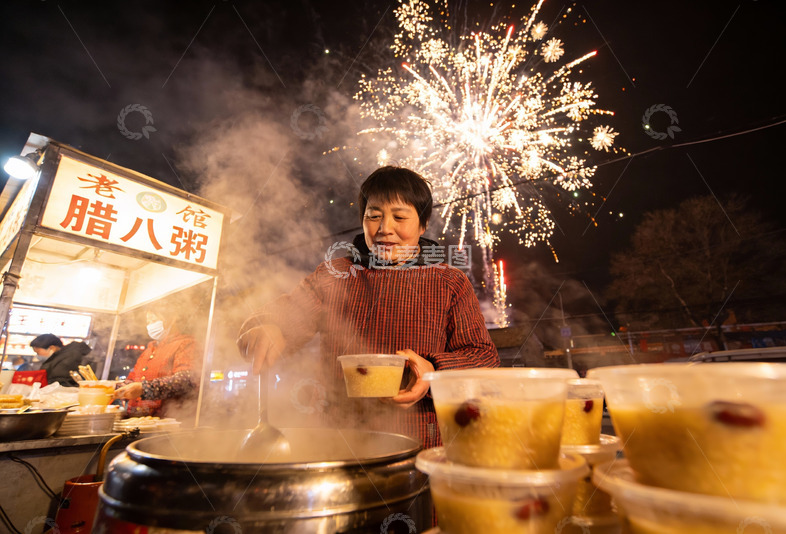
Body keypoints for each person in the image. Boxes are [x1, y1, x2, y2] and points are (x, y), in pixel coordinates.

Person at [238, 166, 500, 448]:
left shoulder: (449, 281)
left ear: (423, 225)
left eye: (399, 217)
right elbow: (276, 316)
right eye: (374, 216)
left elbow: (483, 358)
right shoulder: (334, 275)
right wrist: (269, 328)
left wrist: (433, 370)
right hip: (338, 440)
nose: (385, 228)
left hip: (420, 442)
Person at [114, 309, 199, 420]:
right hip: (136, 421)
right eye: (148, 322)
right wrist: (113, 387)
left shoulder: (185, 344)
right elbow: (133, 380)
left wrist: (145, 389)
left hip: (166, 421)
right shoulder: (148, 350)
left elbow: (185, 380)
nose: (150, 326)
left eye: (154, 320)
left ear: (171, 319)